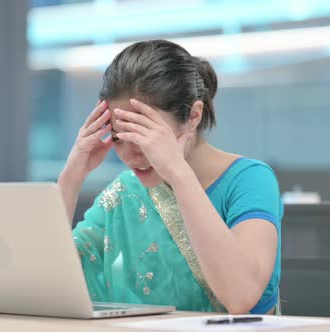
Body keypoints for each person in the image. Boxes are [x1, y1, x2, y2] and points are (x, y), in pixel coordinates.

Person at [57, 40, 282, 314]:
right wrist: (71, 177)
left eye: (145, 136)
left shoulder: (250, 180)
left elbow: (240, 295)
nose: (129, 155)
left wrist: (177, 173)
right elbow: (46, 284)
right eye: (118, 136)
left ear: (193, 116)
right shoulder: (125, 192)